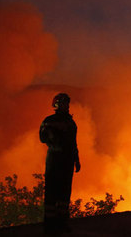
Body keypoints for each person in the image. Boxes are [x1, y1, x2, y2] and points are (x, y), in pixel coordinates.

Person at [40, 93, 81, 234]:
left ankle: (62, 223)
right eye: (64, 103)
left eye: (67, 103)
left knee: (64, 193)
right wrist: (53, 136)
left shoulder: (71, 122)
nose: (67, 106)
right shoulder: (49, 121)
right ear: (56, 105)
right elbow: (42, 137)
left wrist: (76, 160)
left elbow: (73, 143)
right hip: (55, 161)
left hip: (67, 161)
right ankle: (50, 226)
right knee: (52, 192)